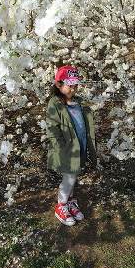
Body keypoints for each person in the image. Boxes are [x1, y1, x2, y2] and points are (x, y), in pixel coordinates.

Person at [45, 65, 97, 226]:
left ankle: (69, 202)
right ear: (59, 85)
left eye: (75, 85)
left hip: (79, 145)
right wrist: (60, 147)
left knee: (74, 175)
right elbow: (52, 128)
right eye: (70, 85)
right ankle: (61, 205)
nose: (73, 88)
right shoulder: (55, 103)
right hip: (66, 149)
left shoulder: (78, 102)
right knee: (69, 177)